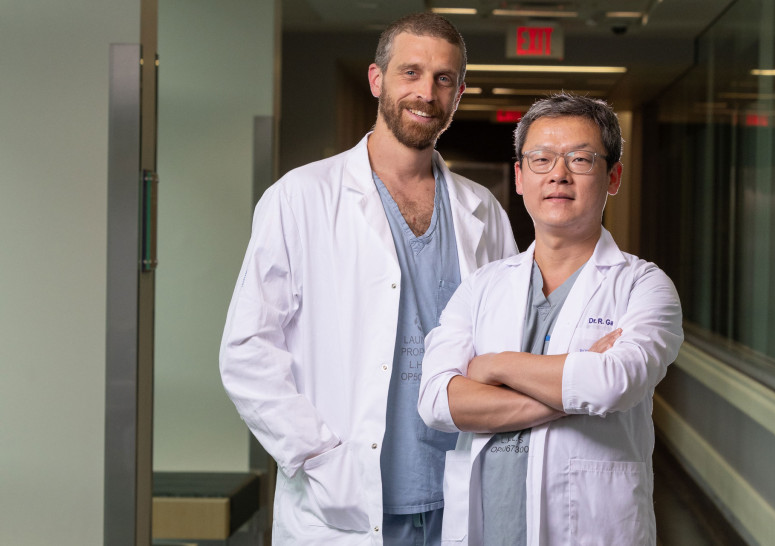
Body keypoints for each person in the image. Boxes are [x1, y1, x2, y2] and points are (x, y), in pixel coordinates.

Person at [219, 12, 516, 545]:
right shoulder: (301, 198)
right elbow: (246, 351)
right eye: (411, 73)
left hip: (459, 500)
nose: (426, 92)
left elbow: (508, 346)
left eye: (443, 79)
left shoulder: (483, 212)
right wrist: (318, 457)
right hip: (347, 501)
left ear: (459, 93)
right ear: (377, 79)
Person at [418, 93, 684, 545]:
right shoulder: (482, 286)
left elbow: (613, 384)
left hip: (588, 530)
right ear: (520, 177)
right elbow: (439, 402)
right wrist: (572, 389)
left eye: (580, 159)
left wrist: (495, 366)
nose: (558, 174)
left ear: (613, 176)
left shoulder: (644, 286)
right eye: (540, 159)